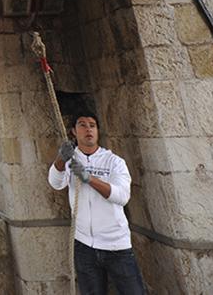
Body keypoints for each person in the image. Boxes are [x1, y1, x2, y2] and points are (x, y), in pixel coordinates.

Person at [48, 111, 146, 295]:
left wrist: (88, 179)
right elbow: (55, 182)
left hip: (116, 246)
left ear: (98, 131)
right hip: (84, 245)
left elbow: (122, 195)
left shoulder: (114, 162)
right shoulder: (70, 160)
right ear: (73, 132)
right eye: (82, 125)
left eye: (92, 125)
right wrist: (61, 158)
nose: (88, 129)